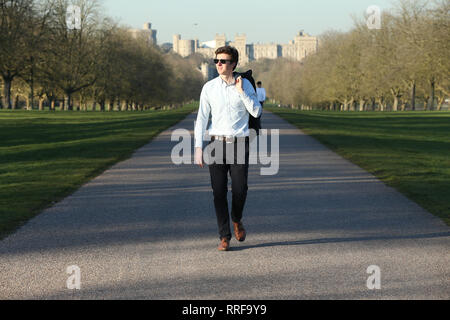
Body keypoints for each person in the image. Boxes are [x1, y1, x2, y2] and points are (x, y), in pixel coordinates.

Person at [194, 46, 262, 251]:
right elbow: (202, 118)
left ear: (233, 64)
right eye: (216, 61)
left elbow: (257, 111)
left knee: (241, 189)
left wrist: (242, 92)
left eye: (223, 61)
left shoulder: (245, 85)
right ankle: (224, 236)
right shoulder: (209, 88)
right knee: (219, 192)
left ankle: (237, 219)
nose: (219, 64)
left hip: (239, 143)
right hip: (215, 143)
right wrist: (198, 146)